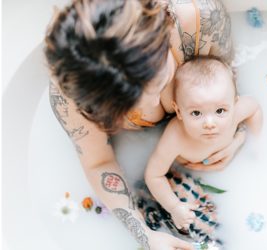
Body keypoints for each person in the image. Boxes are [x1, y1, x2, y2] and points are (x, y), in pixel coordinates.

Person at [44, 0, 246, 249]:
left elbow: (228, 79)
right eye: (127, 106)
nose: (152, 102)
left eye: (158, 83)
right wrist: (145, 235)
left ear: (165, 36)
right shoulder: (72, 96)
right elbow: (98, 162)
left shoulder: (199, 20)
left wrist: (238, 133)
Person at [145, 57, 263, 239]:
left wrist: (254, 143)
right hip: (186, 172)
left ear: (234, 103)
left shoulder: (237, 112)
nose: (210, 123)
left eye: (220, 111)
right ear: (178, 112)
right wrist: (175, 207)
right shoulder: (176, 137)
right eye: (196, 113)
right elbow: (153, 175)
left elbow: (254, 108)